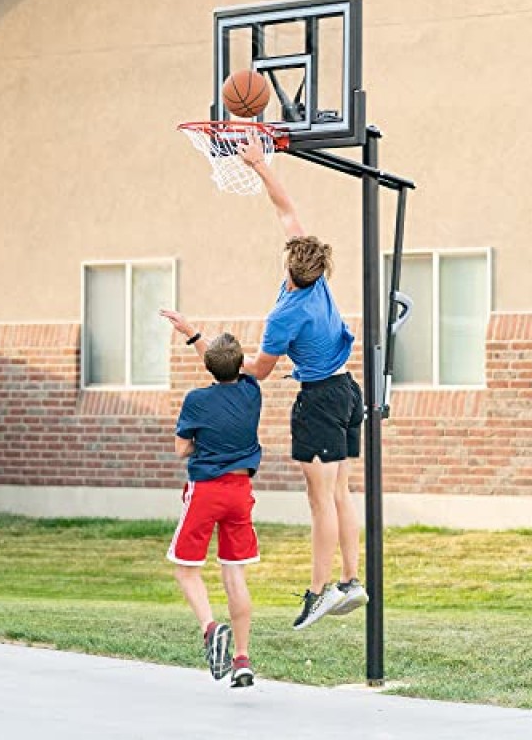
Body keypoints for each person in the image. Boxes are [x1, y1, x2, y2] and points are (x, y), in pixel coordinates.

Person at [224, 131, 368, 630]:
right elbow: (286, 210)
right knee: (342, 492)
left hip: (321, 401)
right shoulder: (319, 279)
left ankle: (319, 591)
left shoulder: (284, 315)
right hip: (349, 392)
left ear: (289, 264)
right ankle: (352, 580)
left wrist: (225, 357)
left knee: (320, 500)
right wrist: (261, 165)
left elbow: (260, 371)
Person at [157, 325, 261, 687]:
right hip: (240, 491)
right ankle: (243, 659)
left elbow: (181, 449)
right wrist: (194, 334)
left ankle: (210, 628)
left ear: (209, 369)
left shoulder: (196, 400)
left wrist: (202, 443)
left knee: (186, 569)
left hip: (206, 491)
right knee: (234, 574)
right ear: (240, 366)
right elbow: (229, 365)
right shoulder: (252, 393)